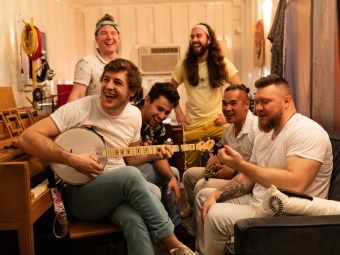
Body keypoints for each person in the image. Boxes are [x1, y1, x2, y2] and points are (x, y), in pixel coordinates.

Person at [17, 59, 194, 255]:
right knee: (132, 177)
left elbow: (131, 159)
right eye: (106, 79)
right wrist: (71, 159)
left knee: (135, 220)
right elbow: (26, 138)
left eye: (117, 82)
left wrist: (153, 153)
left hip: (115, 191)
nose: (108, 86)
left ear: (132, 92)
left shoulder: (134, 115)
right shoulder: (78, 108)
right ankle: (176, 247)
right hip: (80, 194)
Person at [193, 74, 333, 255]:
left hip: (287, 213)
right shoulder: (265, 133)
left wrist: (240, 165)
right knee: (206, 196)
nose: (258, 108)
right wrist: (218, 194)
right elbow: (249, 177)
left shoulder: (306, 131)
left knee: (216, 216)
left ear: (287, 101)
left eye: (265, 102)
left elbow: (296, 184)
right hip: (259, 201)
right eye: (256, 102)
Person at [180, 84, 259, 249]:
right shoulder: (229, 129)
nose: (227, 108)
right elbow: (221, 147)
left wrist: (233, 172)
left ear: (247, 105)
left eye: (233, 103)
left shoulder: (257, 129)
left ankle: (199, 243)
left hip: (247, 180)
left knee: (203, 185)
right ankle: (194, 219)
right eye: (224, 103)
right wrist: (215, 158)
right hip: (230, 173)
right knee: (189, 175)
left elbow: (256, 170)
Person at [171, 22, 243, 170]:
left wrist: (227, 114)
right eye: (192, 37)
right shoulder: (183, 65)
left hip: (218, 124)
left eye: (199, 36)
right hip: (193, 126)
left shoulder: (221, 63)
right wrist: (178, 113)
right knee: (191, 170)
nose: (194, 39)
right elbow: (169, 90)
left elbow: (240, 89)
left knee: (228, 165)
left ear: (209, 40)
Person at [134, 82, 187, 236]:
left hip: (141, 168)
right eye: (160, 109)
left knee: (174, 174)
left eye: (167, 112)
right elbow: (129, 158)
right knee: (165, 180)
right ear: (147, 100)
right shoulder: (131, 116)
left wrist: (171, 176)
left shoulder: (158, 125)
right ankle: (163, 230)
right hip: (123, 169)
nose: (162, 116)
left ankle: (175, 225)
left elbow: (160, 156)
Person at [67, 14, 120, 102]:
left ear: (119, 38)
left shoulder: (124, 64)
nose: (109, 37)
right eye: (104, 33)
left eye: (113, 33)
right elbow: (77, 96)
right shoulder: (86, 63)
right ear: (96, 39)